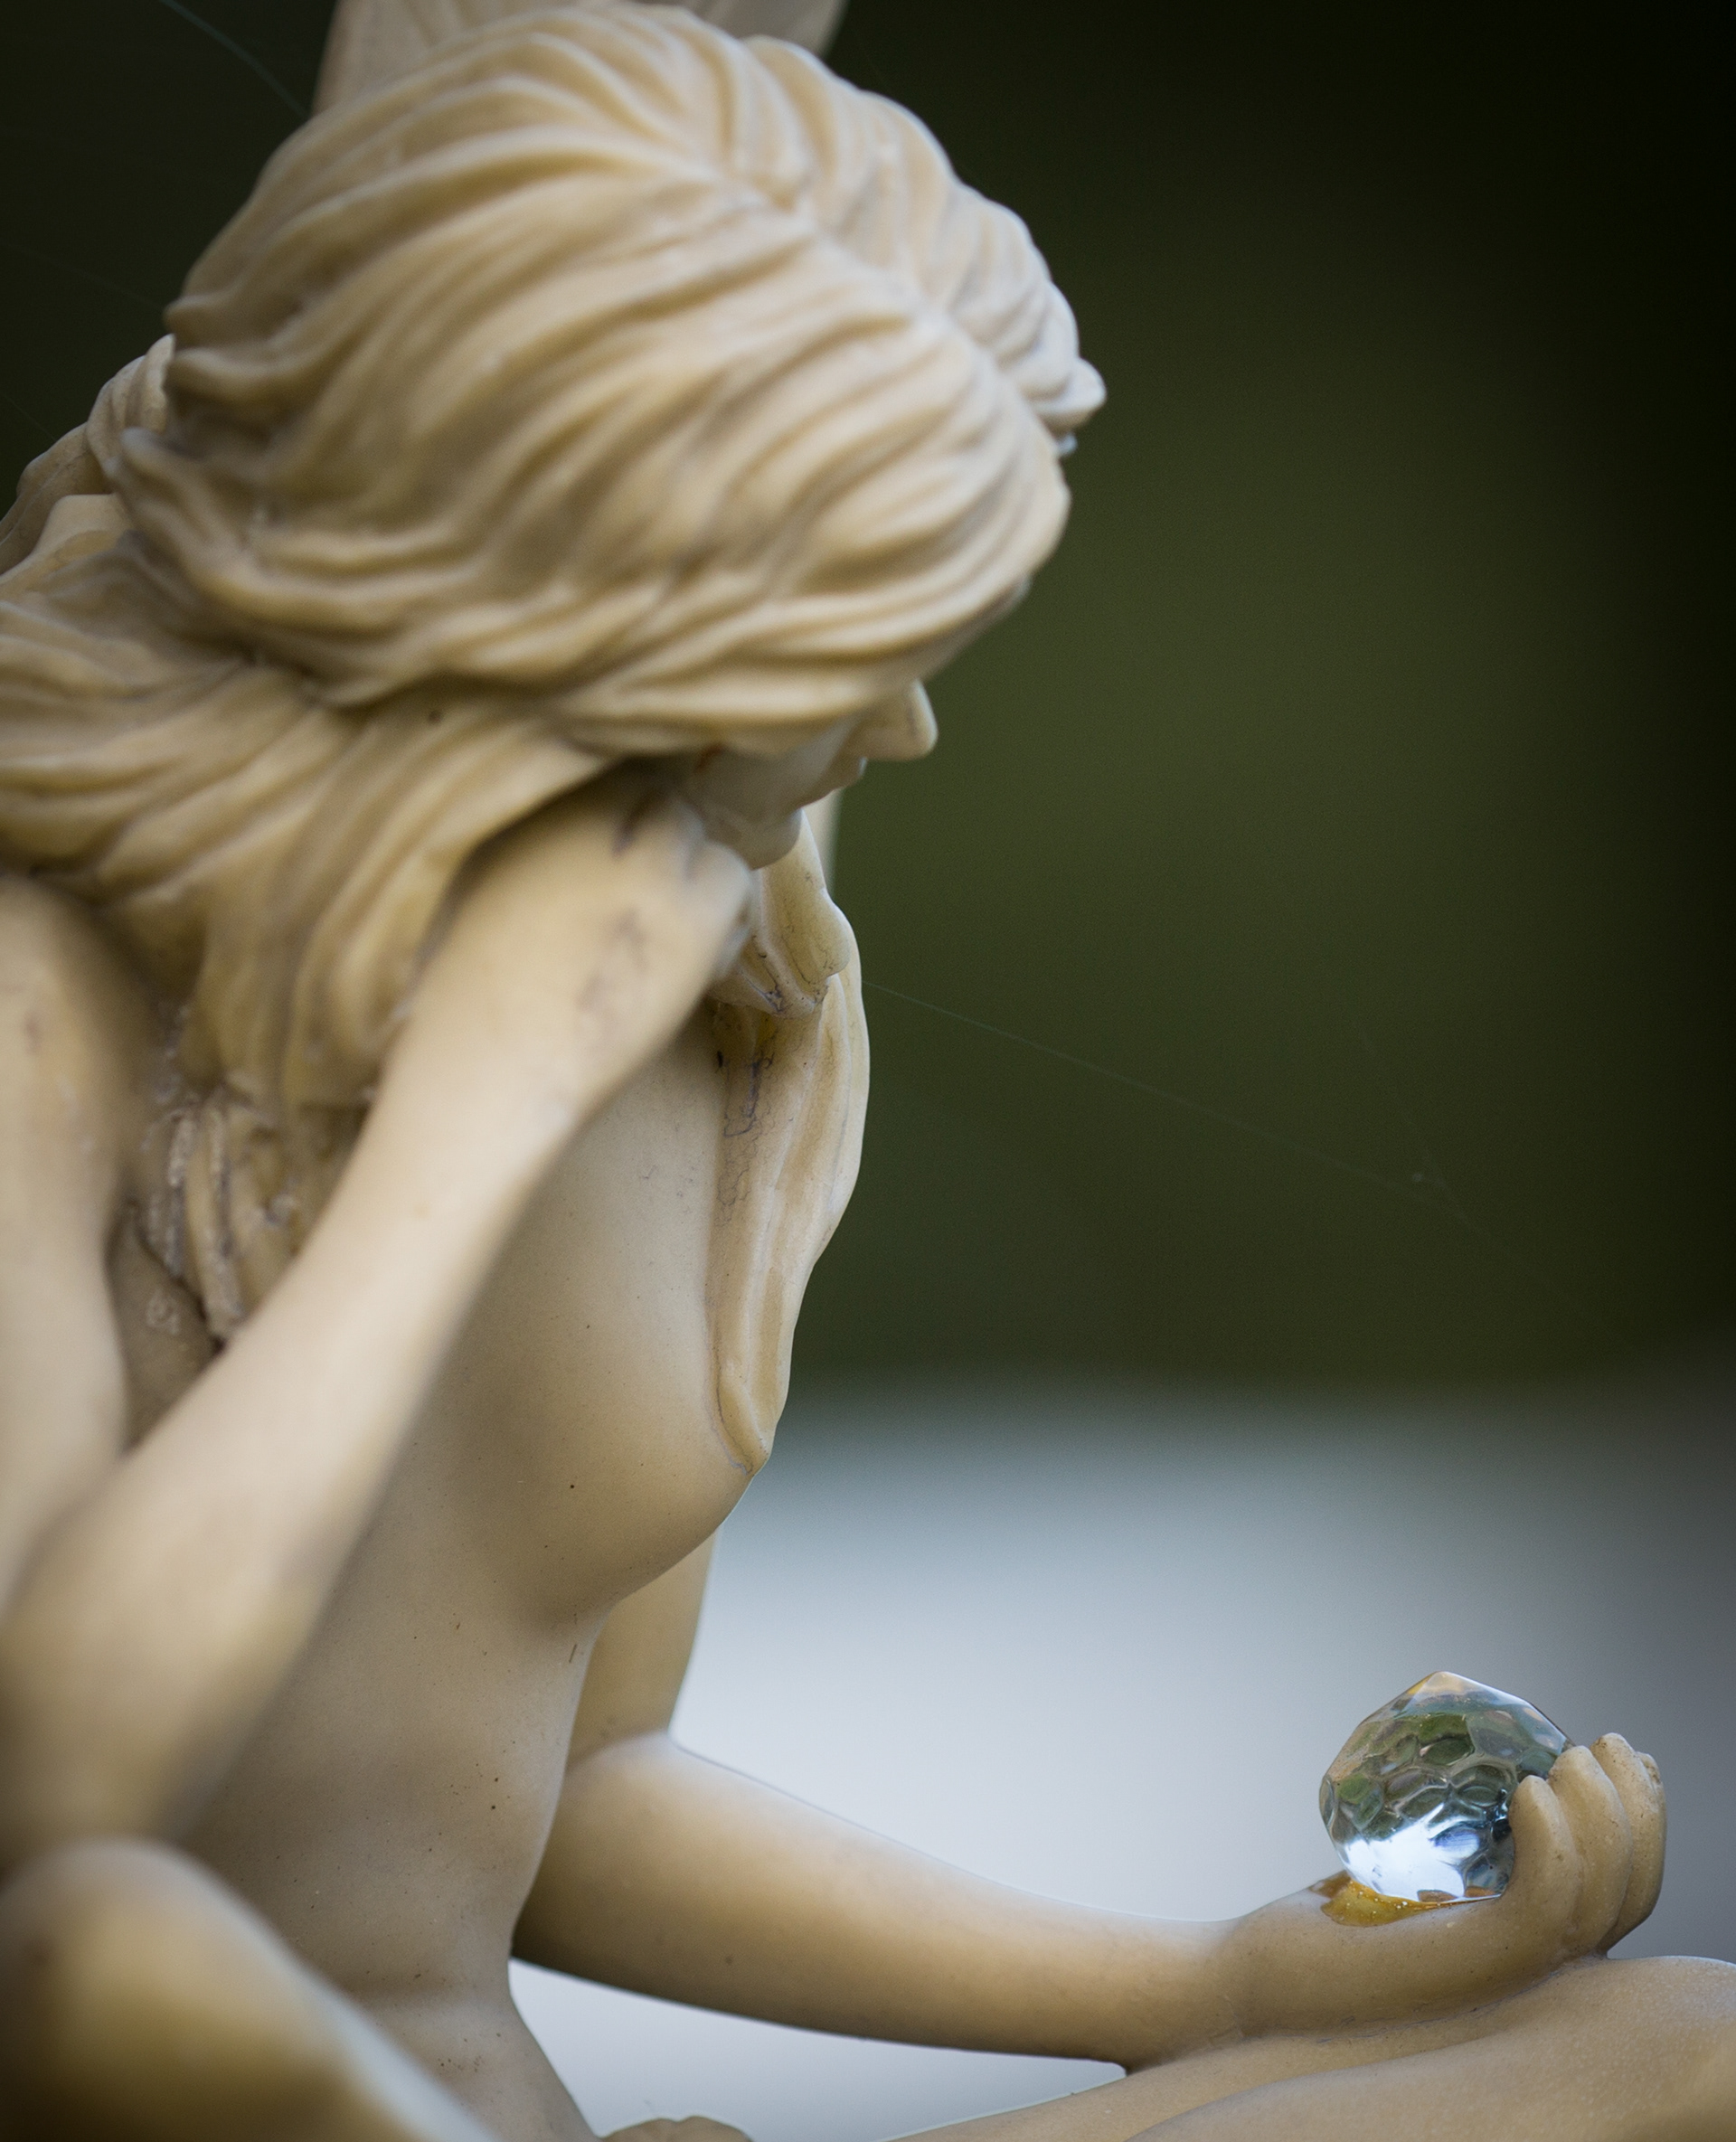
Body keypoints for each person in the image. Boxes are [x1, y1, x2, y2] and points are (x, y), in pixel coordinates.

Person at [0, 8, 1729, 2139]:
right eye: (843, 649)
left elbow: (574, 1793)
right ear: (559, 597)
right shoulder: (57, 992)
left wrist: (1208, 1982)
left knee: (1679, 2054)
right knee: (125, 1969)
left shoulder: (719, 994)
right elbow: (58, 1804)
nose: (897, 728)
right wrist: (471, 1122)